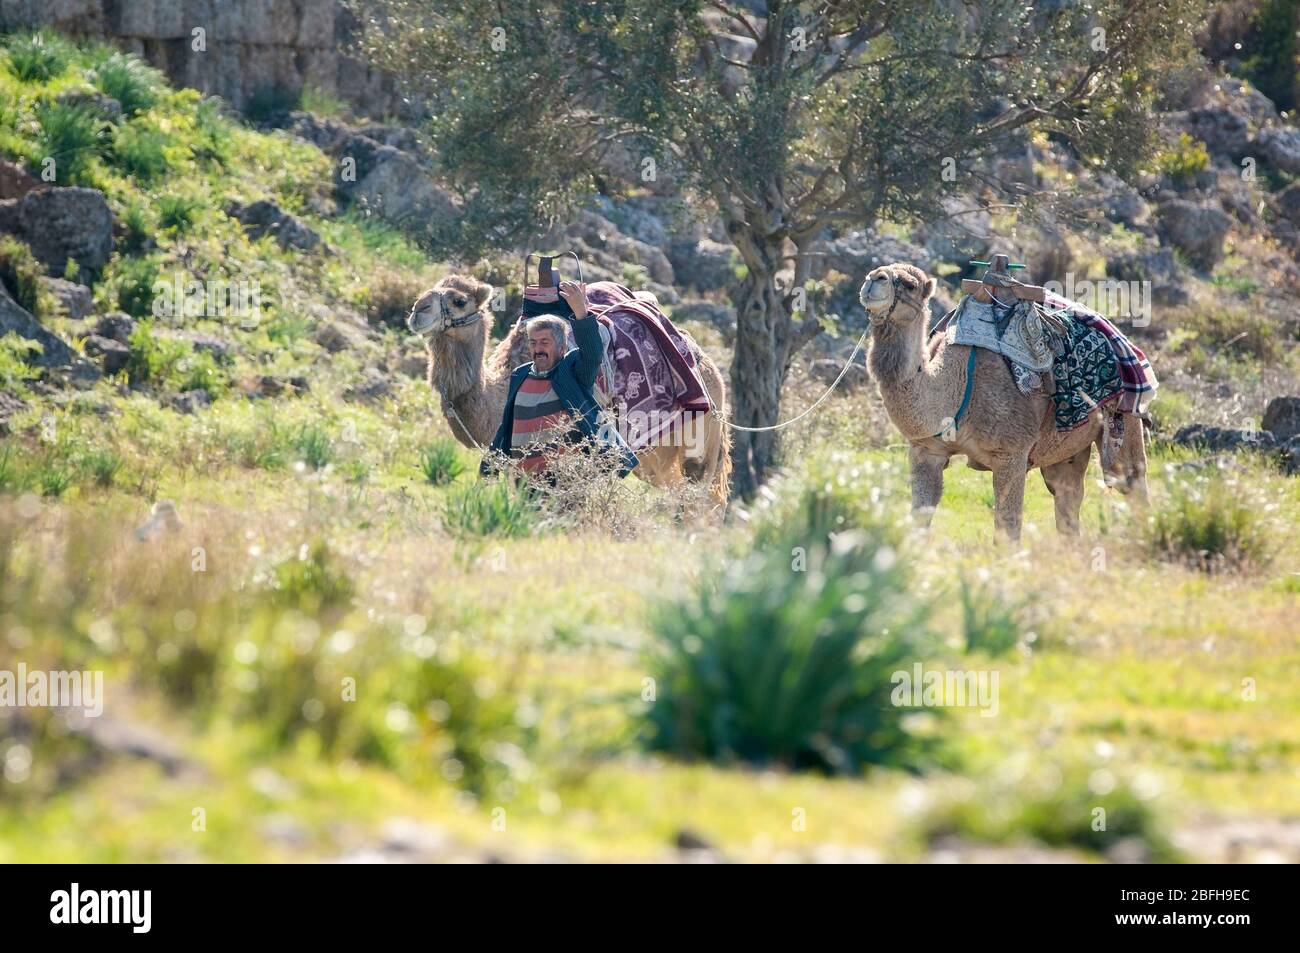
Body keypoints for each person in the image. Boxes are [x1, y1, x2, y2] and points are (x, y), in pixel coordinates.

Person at [482, 280, 638, 478]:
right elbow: (507, 425)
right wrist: (489, 467)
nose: (538, 348)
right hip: (525, 484)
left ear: (562, 347)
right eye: (533, 343)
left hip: (566, 483)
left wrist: (581, 312)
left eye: (544, 342)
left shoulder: (571, 372)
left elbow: (592, 354)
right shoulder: (520, 375)